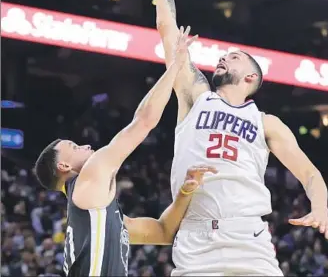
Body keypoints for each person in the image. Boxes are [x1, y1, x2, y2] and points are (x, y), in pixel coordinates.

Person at [153, 0, 328, 276]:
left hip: (248, 236)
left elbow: (310, 174)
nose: (222, 57)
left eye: (232, 57)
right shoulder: (195, 94)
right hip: (195, 233)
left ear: (251, 76)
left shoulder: (267, 124)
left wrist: (321, 207)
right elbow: (167, 31)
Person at [34, 27, 217, 277]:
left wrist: (185, 192)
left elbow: (163, 232)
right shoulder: (88, 179)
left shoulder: (96, 218)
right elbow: (143, 122)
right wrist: (176, 65)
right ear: (64, 167)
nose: (86, 146)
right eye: (75, 147)